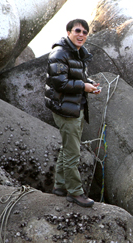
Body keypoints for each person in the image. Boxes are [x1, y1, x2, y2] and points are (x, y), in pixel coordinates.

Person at [45, 19, 101, 208]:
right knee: (72, 152)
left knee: (67, 148)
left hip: (74, 106)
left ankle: (60, 186)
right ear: (68, 32)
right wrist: (83, 87)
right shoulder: (59, 53)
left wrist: (90, 84)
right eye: (78, 31)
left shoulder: (76, 53)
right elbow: (60, 83)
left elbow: (78, 77)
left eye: (85, 32)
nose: (82, 35)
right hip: (65, 109)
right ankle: (75, 192)